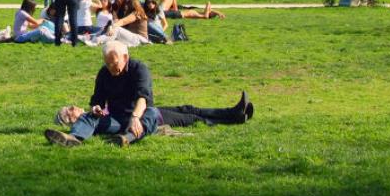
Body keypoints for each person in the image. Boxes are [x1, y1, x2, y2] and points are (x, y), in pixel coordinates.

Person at [44, 41, 159, 147]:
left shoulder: (139, 69)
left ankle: (126, 139)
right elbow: (97, 101)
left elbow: (142, 98)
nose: (110, 68)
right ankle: (73, 138)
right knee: (88, 116)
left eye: (114, 63)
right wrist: (95, 108)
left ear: (125, 57)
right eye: (107, 64)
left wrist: (135, 118)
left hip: (139, 117)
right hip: (116, 119)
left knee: (152, 113)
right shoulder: (104, 73)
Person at [55, 92, 252, 131]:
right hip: (152, 118)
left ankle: (234, 110)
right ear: (70, 119)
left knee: (190, 108)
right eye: (71, 110)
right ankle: (235, 119)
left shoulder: (93, 112)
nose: (75, 107)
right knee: (193, 118)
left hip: (149, 110)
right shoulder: (93, 121)